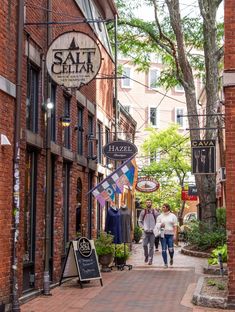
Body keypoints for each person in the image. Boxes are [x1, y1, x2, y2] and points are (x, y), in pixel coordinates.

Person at [154, 203, 177, 268]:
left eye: (164, 207)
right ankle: (165, 263)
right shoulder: (159, 216)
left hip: (170, 235)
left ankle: (171, 258)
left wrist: (175, 235)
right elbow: (157, 225)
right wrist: (160, 225)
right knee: (164, 249)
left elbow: (175, 226)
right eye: (162, 207)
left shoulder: (173, 216)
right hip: (162, 234)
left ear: (167, 208)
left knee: (171, 249)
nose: (162, 208)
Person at [138, 199, 158, 265]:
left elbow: (158, 221)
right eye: (147, 202)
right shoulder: (143, 212)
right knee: (144, 245)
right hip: (145, 232)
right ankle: (146, 256)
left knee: (151, 247)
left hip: (152, 232)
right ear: (146, 204)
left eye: (150, 202)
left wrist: (155, 228)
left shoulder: (155, 212)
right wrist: (143, 228)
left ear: (151, 203)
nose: (148, 203)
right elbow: (139, 221)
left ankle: (150, 259)